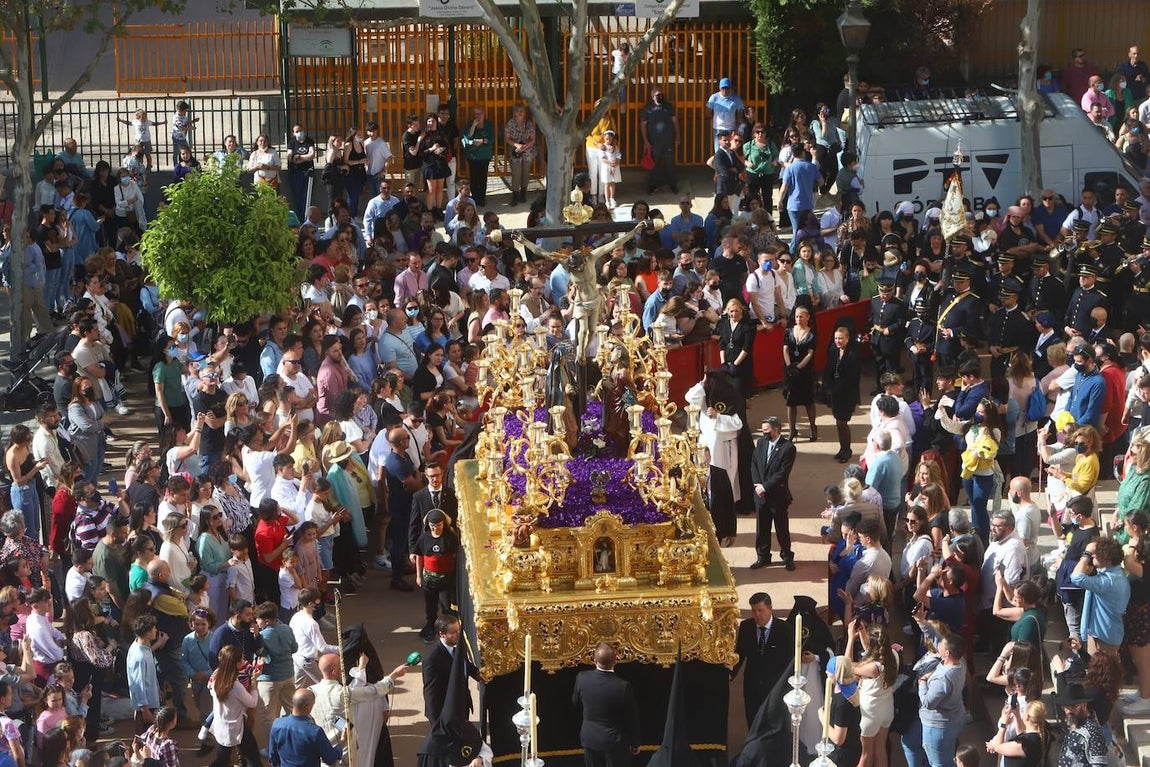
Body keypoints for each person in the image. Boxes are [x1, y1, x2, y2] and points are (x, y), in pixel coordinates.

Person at [309, 651, 407, 767]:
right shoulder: (341, 693)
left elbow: (334, 718)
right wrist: (394, 675)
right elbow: (373, 691)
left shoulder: (310, 691)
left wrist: (361, 667)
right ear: (334, 671)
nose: (343, 670)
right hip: (342, 753)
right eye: (341, 667)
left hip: (321, 750)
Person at [572, 642, 641, 767]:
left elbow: (575, 702)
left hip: (589, 738)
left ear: (594, 660)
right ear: (615, 660)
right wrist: (635, 743)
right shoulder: (623, 687)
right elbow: (632, 719)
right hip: (614, 743)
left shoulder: (581, 678)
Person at [731, 592, 792, 727]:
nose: (757, 615)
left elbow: (790, 661)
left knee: (773, 722)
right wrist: (730, 674)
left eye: (760, 610)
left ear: (770, 609)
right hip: (752, 685)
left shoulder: (784, 630)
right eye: (754, 611)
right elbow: (740, 654)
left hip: (774, 687)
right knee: (753, 720)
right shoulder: (746, 627)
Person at [750, 416, 796, 571]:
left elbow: (782, 473)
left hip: (777, 496)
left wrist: (765, 487)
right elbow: (754, 463)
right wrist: (757, 484)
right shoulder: (761, 443)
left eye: (766, 431)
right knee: (762, 528)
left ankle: (787, 556)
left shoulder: (788, 448)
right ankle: (763, 556)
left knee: (781, 528)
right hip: (760, 495)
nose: (764, 434)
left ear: (776, 430)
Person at [1071, 536, 1131, 654]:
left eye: (1095, 554)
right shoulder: (1116, 574)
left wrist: (1086, 554)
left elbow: (1076, 577)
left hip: (1104, 637)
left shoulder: (1108, 581)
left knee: (1103, 671)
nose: (1093, 556)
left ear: (1107, 558)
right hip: (1107, 633)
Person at [208, 644, 261, 767]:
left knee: (222, 759)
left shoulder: (216, 678)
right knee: (253, 757)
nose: (244, 662)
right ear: (236, 664)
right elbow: (252, 702)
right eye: (241, 660)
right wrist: (253, 684)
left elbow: (211, 689)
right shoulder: (235, 686)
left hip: (222, 726)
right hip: (236, 727)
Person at [918, 634, 966, 767]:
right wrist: (921, 621)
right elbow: (935, 637)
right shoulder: (961, 662)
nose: (937, 645)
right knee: (948, 758)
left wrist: (922, 682)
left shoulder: (943, 679)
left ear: (947, 653)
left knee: (938, 763)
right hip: (954, 719)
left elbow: (928, 703)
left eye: (941, 645)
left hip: (938, 727)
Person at [422, 615, 478, 724]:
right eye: (453, 633)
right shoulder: (432, 658)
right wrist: (437, 724)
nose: (458, 635)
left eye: (458, 630)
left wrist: (479, 674)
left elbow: (464, 665)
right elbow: (431, 693)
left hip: (461, 707)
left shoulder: (457, 645)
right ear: (442, 634)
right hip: (446, 713)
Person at [268, 688, 343, 767]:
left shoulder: (277, 724)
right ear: (307, 707)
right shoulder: (315, 731)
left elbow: (273, 756)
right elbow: (330, 759)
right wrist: (342, 743)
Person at [824, 326, 861, 463]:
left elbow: (851, 377)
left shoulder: (852, 355)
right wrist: (827, 385)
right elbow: (828, 368)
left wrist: (836, 388)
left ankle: (847, 450)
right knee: (838, 423)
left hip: (847, 394)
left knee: (842, 422)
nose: (838, 341)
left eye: (840, 338)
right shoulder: (833, 351)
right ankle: (842, 448)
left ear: (847, 339)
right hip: (835, 392)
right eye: (836, 338)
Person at [984, 699, 1048, 767]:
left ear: (1027, 716)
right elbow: (1021, 734)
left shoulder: (1028, 742)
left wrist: (1004, 723)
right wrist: (1016, 714)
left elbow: (998, 747)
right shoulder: (1035, 737)